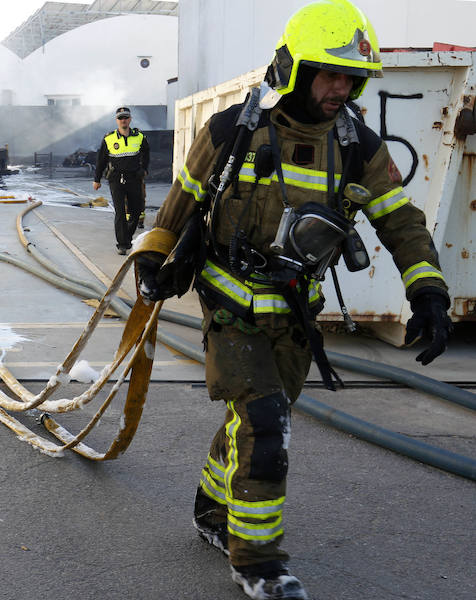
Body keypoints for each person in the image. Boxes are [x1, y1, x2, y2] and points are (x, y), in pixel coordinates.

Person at [132, 1, 452, 598]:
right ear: (296, 69)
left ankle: (211, 507)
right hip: (229, 304)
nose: (341, 88)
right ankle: (258, 564)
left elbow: (401, 223)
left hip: (296, 317)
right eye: (328, 74)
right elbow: (184, 197)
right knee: (265, 421)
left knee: (250, 421)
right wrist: (154, 253)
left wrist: (427, 290)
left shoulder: (358, 148)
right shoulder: (234, 131)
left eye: (350, 77)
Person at [93, 107, 150, 254]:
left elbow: (146, 153)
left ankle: (127, 237)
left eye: (125, 117)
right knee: (120, 213)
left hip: (134, 178)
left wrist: (144, 169)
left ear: (130, 119)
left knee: (136, 211)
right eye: (120, 118)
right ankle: (122, 245)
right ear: (116, 120)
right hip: (116, 179)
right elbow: (101, 161)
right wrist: (96, 179)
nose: (123, 120)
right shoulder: (109, 139)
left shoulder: (139, 137)